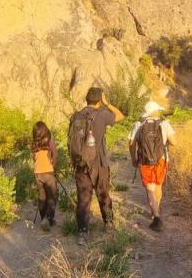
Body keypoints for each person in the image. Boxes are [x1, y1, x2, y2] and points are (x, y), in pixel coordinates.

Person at [68, 87, 124, 246]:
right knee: (103, 194)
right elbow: (120, 116)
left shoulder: (76, 116)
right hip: (99, 163)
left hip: (80, 164)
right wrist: (108, 104)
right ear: (100, 100)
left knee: (83, 198)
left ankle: (82, 233)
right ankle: (108, 224)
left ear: (86, 99)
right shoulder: (103, 115)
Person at [129, 101, 175, 231]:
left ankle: (156, 215)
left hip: (144, 161)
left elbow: (131, 143)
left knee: (150, 188)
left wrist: (134, 158)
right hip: (161, 160)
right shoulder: (164, 124)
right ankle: (156, 210)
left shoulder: (138, 125)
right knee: (158, 185)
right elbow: (174, 142)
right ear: (156, 111)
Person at [31, 121, 58, 231]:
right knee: (52, 196)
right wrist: (53, 166)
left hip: (38, 174)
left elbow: (34, 158)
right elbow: (55, 156)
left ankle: (43, 218)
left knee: (42, 197)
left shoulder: (33, 143)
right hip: (49, 172)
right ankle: (49, 218)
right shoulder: (50, 141)